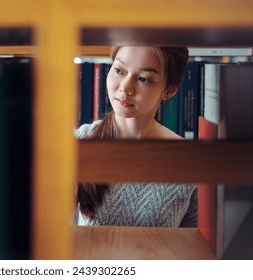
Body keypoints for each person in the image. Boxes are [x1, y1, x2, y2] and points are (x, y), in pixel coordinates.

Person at [75, 46, 197, 227]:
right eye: (119, 70)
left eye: (144, 79)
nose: (126, 88)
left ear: (170, 90)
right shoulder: (79, 143)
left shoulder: (190, 161)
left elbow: (197, 248)